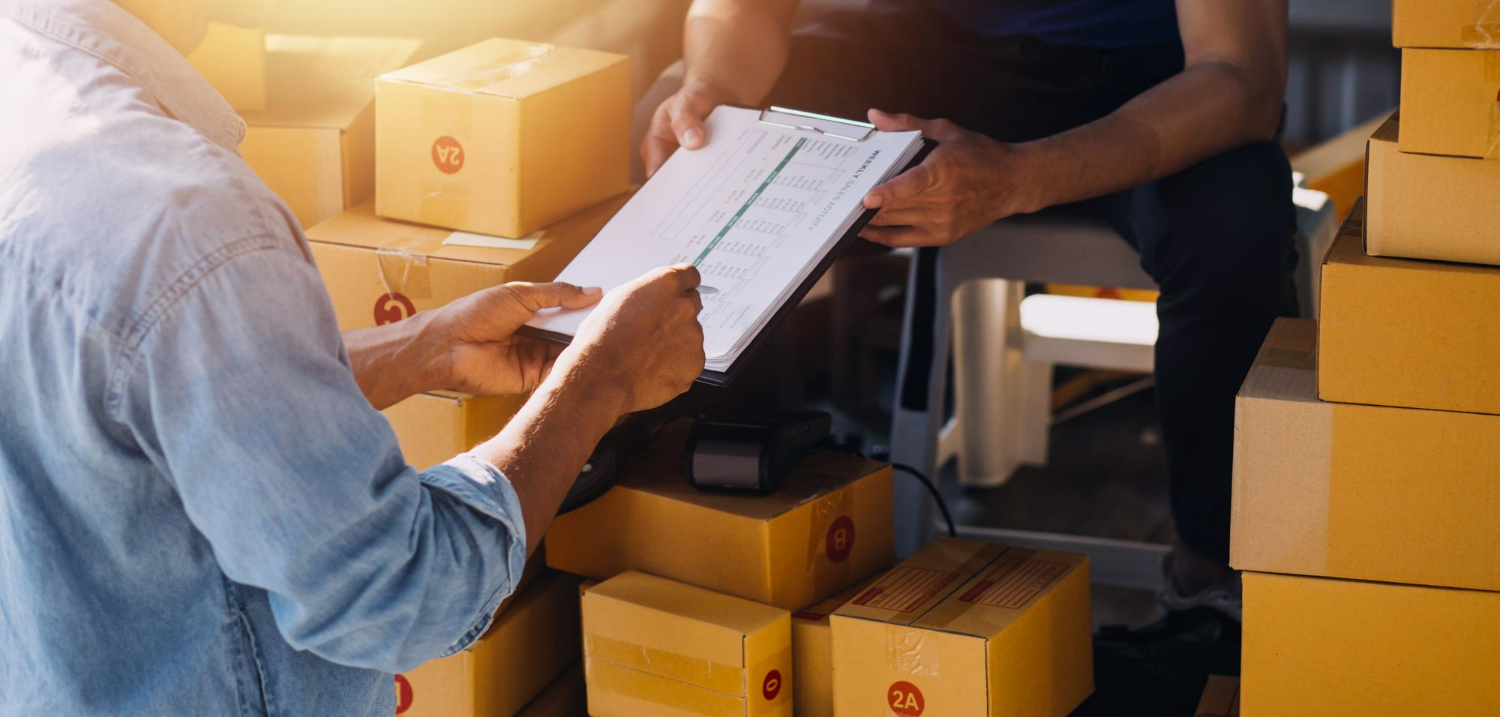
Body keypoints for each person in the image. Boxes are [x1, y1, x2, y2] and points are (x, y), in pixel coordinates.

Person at [0, 0, 706, 713]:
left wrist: (422, 347)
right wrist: (597, 384)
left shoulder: (24, 82)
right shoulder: (190, 220)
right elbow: (396, 593)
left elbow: (134, 394)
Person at [640, 0, 1297, 703]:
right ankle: (762, 530)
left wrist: (1021, 177)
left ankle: (1213, 591)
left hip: (1154, 82)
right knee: (692, 133)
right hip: (931, 49)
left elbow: (1242, 77)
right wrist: (715, 88)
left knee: (1237, 232)